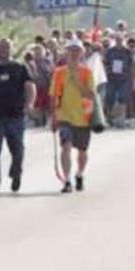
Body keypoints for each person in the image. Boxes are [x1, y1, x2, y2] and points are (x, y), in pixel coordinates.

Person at [0, 39, 35, 194]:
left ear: (12, 49)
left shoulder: (19, 68)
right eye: (1, 47)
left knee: (17, 149)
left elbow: (30, 86)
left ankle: (16, 173)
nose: (3, 50)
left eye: (6, 47)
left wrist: (30, 103)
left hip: (16, 116)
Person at [50, 39, 95, 193]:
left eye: (77, 50)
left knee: (82, 151)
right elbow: (53, 95)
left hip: (83, 117)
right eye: (71, 50)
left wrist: (78, 82)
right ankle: (67, 180)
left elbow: (91, 95)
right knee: (66, 146)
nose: (74, 54)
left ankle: (79, 174)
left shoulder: (87, 72)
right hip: (65, 116)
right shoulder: (59, 72)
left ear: (82, 53)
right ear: (66, 53)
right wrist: (53, 117)